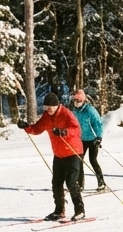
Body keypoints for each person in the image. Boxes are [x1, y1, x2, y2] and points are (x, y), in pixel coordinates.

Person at [19, 92, 86, 221]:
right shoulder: (46, 117)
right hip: (59, 154)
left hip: (73, 152)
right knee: (56, 183)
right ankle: (59, 211)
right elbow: (37, 128)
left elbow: (77, 130)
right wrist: (26, 127)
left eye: (50, 107)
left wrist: (64, 131)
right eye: (45, 107)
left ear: (56, 106)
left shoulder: (66, 114)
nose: (48, 110)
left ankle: (80, 210)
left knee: (71, 182)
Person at [71, 89, 107, 192]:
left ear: (83, 101)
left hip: (93, 139)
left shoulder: (90, 110)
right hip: (81, 140)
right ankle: (80, 185)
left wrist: (99, 137)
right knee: (79, 161)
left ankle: (101, 183)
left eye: (78, 101)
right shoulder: (75, 112)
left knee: (93, 160)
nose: (76, 103)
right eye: (75, 100)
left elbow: (98, 123)